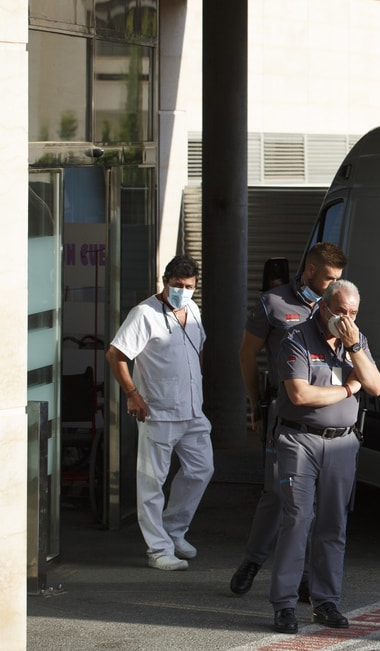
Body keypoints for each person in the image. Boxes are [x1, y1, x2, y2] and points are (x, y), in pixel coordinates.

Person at [230, 243, 347, 596]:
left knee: (316, 503)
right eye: (328, 278)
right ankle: (254, 559)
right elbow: (247, 354)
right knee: (277, 494)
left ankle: (308, 576)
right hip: (285, 412)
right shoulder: (274, 303)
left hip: (327, 410)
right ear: (310, 270)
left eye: (338, 280)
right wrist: (255, 403)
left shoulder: (338, 303)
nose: (332, 285)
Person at [269, 279, 380, 634]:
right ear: (322, 306)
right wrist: (349, 388)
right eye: (340, 311)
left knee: (333, 524)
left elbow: (376, 385)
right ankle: (285, 604)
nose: (346, 319)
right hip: (300, 440)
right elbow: (301, 395)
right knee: (298, 519)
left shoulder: (355, 341)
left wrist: (355, 351)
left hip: (342, 444)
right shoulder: (296, 338)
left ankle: (326, 601)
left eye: (353, 313)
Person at [105, 255, 214, 571]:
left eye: (189, 286)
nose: (183, 291)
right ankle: (157, 549)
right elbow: (116, 354)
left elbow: (200, 346)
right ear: (165, 282)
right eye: (177, 285)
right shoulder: (144, 313)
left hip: (193, 409)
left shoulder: (192, 309)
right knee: (152, 482)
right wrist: (132, 394)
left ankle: (174, 530)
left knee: (201, 469)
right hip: (159, 410)